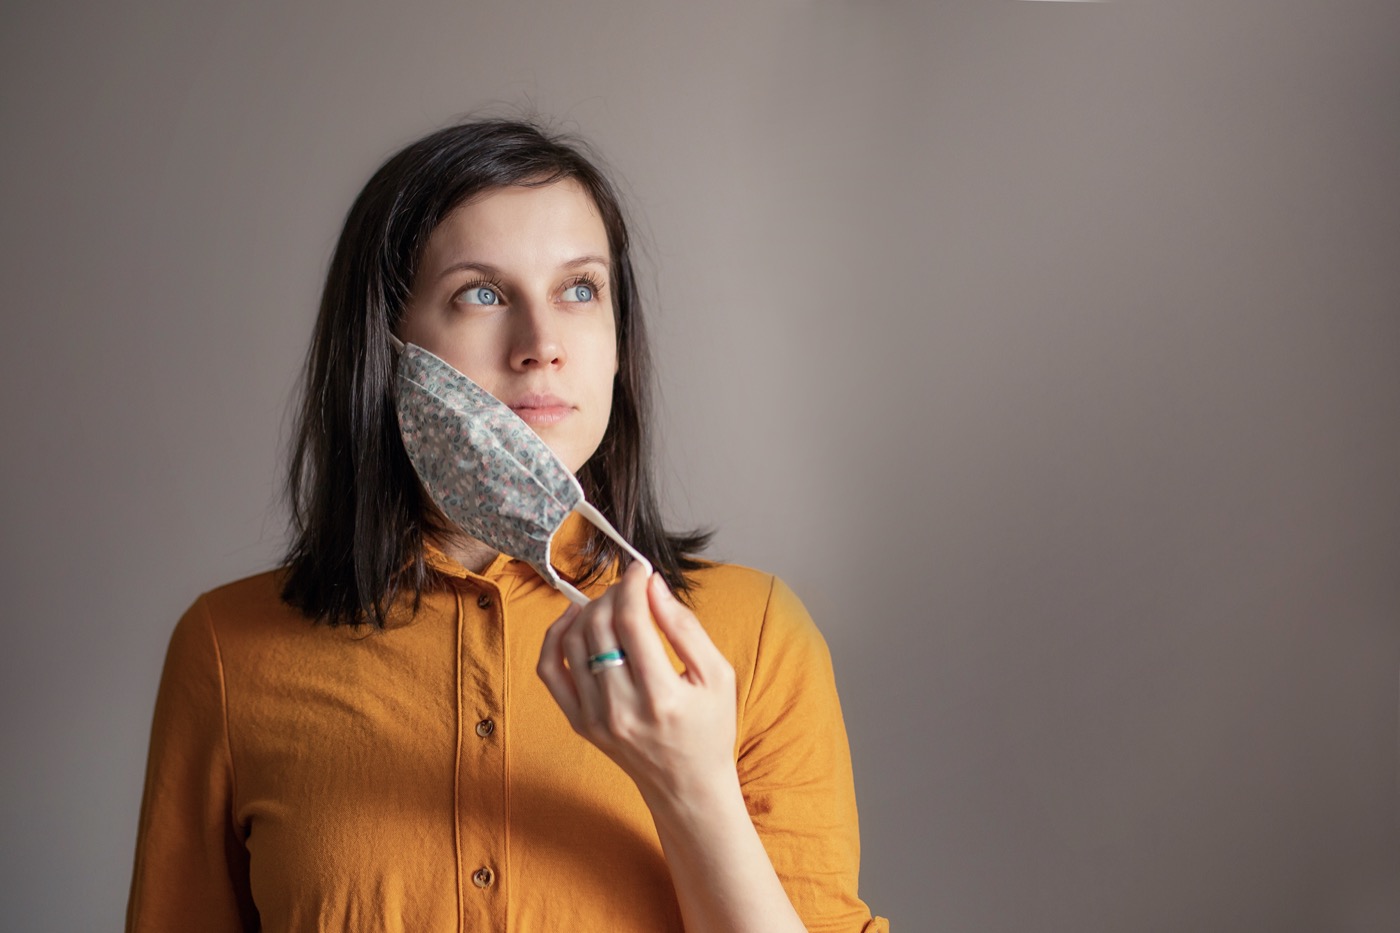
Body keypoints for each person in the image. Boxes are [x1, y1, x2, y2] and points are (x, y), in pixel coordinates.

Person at [126, 118, 888, 933]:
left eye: (580, 289)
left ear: (618, 340)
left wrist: (690, 783)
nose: (542, 344)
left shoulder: (757, 636)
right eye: (481, 293)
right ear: (386, 347)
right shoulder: (226, 648)